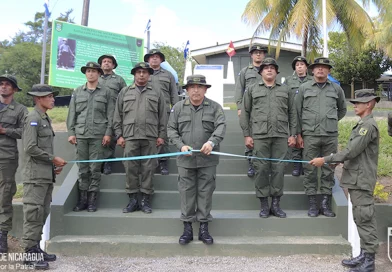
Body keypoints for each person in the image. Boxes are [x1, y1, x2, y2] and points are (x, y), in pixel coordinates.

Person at [310, 89, 380, 272]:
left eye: (358, 103)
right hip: (357, 177)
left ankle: (369, 262)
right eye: (354, 102)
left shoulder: (368, 126)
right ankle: (364, 255)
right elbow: (354, 153)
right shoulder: (362, 124)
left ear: (370, 104)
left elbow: (351, 151)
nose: (354, 105)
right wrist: (339, 161)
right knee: (360, 218)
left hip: (362, 179)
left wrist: (325, 160)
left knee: (364, 218)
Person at [167, 75, 226, 245]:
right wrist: (180, 145)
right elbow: (171, 129)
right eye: (192, 87)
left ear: (205, 89)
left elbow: (221, 126)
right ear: (186, 89)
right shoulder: (178, 108)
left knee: (205, 192)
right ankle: (187, 228)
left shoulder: (215, 107)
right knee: (186, 192)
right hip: (185, 160)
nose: (195, 90)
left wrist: (212, 142)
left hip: (208, 159)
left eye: (199, 87)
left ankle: (203, 227)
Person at [240, 58, 297, 218]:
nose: (269, 70)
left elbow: (292, 113)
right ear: (261, 72)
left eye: (272, 68)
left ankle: (276, 204)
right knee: (261, 169)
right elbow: (245, 113)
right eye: (266, 68)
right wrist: (247, 135)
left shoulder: (286, 90)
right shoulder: (252, 89)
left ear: (277, 72)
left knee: (279, 170)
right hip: (259, 136)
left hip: (280, 136)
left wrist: (292, 134)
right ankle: (264, 204)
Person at [295, 57, 347, 217]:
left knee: (328, 169)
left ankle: (325, 204)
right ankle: (312, 204)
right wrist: (298, 134)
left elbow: (342, 109)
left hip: (330, 135)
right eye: (317, 67)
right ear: (312, 70)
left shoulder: (336, 89)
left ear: (329, 71)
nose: (320, 70)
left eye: (324, 67)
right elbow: (296, 112)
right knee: (310, 169)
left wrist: (329, 121)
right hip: (309, 135)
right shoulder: (304, 88)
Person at [22, 84, 67, 270]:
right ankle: (29, 253)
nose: (53, 99)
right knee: (33, 214)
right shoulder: (32, 118)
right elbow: (30, 148)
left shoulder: (44, 118)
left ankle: (36, 248)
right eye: (49, 96)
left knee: (42, 213)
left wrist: (52, 166)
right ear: (38, 98)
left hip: (45, 175)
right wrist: (53, 159)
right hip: (35, 177)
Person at [113, 62, 166, 214]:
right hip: (129, 136)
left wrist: (162, 135)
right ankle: (133, 199)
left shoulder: (157, 92)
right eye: (138, 72)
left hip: (150, 136)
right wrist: (119, 135)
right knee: (130, 168)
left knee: (149, 168)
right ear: (134, 74)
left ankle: (145, 200)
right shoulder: (125, 92)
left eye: (144, 72)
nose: (141, 74)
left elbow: (163, 115)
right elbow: (117, 115)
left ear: (149, 75)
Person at [66, 62, 115, 213]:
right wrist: (71, 132)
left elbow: (111, 114)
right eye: (88, 71)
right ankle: (82, 200)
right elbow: (72, 114)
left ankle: (92, 201)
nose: (91, 74)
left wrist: (108, 132)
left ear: (99, 74)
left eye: (94, 71)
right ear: (85, 74)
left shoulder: (106, 92)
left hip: (98, 135)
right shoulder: (78, 91)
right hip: (81, 134)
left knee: (94, 168)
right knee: (82, 168)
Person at [0, 74, 28, 253]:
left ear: (15, 90)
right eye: (1, 84)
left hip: (6, 157)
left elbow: (24, 131)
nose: (3, 87)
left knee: (4, 195)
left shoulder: (20, 109)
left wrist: (5, 130)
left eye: (8, 85)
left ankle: (2, 235)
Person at [234, 43, 268, 177]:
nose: (258, 54)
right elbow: (239, 89)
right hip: (249, 108)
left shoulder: (269, 69)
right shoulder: (245, 71)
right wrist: (239, 106)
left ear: (264, 55)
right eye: (255, 52)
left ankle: (264, 163)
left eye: (260, 52)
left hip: (266, 107)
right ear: (251, 55)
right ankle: (251, 164)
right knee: (250, 136)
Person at [144, 49, 179, 175]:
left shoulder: (168, 75)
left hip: (165, 111)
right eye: (152, 57)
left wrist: (176, 110)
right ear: (148, 60)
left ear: (161, 60)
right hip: (147, 110)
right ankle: (149, 163)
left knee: (163, 136)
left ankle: (163, 162)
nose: (154, 59)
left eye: (157, 57)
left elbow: (174, 94)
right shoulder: (143, 74)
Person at [97, 54, 127, 175]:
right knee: (99, 138)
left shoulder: (119, 80)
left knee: (111, 138)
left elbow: (125, 96)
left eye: (109, 62)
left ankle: (108, 162)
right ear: (101, 64)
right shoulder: (96, 79)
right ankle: (100, 163)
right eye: (104, 61)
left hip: (114, 112)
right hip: (98, 113)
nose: (106, 63)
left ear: (113, 65)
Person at [283, 56, 312, 176]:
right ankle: (296, 165)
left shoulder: (312, 80)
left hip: (308, 113)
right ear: (295, 68)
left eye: (301, 64)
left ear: (306, 67)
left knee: (307, 140)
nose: (299, 67)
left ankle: (306, 165)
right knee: (294, 137)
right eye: (297, 65)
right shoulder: (289, 81)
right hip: (293, 113)